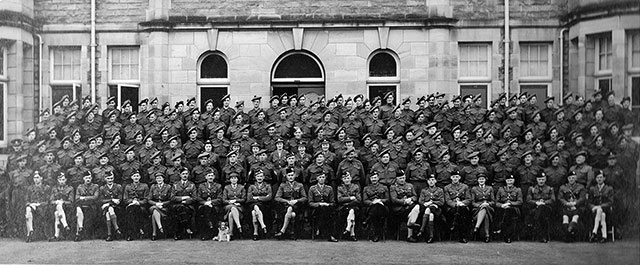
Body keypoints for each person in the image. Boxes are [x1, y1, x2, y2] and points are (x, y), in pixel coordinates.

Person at [274, 167, 307, 240]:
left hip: (297, 206)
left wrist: (296, 201)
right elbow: (277, 197)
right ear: (286, 176)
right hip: (285, 206)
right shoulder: (282, 185)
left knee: (291, 210)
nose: (291, 177)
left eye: (292, 175)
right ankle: (292, 233)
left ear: (295, 175)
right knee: (292, 214)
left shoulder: (300, 185)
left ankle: (282, 231)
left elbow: (304, 197)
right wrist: (286, 201)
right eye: (289, 175)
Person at [413, 174, 444, 243]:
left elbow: (441, 202)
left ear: (435, 181)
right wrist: (425, 204)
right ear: (427, 181)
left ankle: (421, 230)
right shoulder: (424, 190)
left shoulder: (440, 190)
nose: (431, 182)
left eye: (433, 180)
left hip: (437, 209)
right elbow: (420, 201)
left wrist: (432, 202)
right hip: (427, 209)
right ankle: (431, 236)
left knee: (429, 210)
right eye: (429, 180)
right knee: (430, 215)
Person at [308, 172, 338, 242]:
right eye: (320, 177)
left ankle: (321, 230)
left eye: (323, 177)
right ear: (317, 178)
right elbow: (310, 203)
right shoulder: (312, 188)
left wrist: (327, 204)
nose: (321, 179)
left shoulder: (329, 188)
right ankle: (327, 234)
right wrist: (319, 204)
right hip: (315, 210)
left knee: (327, 211)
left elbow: (332, 202)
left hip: (327, 209)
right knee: (322, 210)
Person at [389, 171, 418, 242]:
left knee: (416, 208)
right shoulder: (393, 187)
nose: (402, 180)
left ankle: (410, 230)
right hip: (399, 209)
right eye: (400, 178)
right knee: (416, 209)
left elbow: (415, 196)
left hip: (409, 207)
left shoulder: (410, 186)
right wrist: (405, 202)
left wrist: (410, 199)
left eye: (403, 178)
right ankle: (410, 230)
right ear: (396, 179)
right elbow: (394, 199)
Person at [558, 171, 586, 242]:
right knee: (565, 218)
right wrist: (566, 203)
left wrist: (575, 203)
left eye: (573, 178)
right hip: (566, 207)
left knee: (575, 218)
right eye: (570, 178)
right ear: (567, 179)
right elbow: (560, 198)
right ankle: (568, 235)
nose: (571, 179)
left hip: (577, 208)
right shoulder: (563, 187)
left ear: (576, 178)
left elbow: (582, 198)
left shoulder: (581, 187)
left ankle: (569, 234)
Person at [526, 173, 555, 243]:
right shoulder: (532, 188)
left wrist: (544, 202)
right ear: (536, 179)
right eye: (539, 179)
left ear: (545, 179)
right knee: (542, 216)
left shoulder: (550, 188)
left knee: (542, 209)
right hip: (535, 208)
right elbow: (528, 200)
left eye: (542, 179)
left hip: (546, 208)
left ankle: (535, 223)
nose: (541, 181)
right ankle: (543, 236)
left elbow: (553, 200)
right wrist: (536, 202)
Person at [444, 171, 471, 243]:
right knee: (459, 212)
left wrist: (462, 203)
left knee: (462, 211)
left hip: (463, 206)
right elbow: (447, 200)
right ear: (451, 178)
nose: (455, 178)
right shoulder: (447, 187)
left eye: (456, 177)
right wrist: (456, 204)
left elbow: (468, 199)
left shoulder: (465, 187)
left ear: (459, 177)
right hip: (452, 207)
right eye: (453, 177)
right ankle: (462, 236)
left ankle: (455, 225)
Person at [170, 167, 197, 240]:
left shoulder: (192, 185)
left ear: (188, 175)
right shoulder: (175, 185)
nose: (185, 175)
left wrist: (185, 202)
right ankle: (187, 227)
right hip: (177, 205)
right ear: (180, 175)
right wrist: (183, 198)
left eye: (186, 174)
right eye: (183, 174)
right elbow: (172, 197)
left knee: (182, 209)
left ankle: (178, 232)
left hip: (189, 206)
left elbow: (194, 198)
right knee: (181, 208)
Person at [588, 170, 614, 243]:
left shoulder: (609, 189)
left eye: (601, 177)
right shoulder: (592, 189)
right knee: (601, 214)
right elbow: (589, 202)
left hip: (606, 209)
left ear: (604, 178)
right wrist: (593, 207)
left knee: (601, 211)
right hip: (595, 210)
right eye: (597, 178)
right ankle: (604, 236)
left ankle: (594, 232)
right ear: (596, 179)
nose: (599, 179)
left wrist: (600, 206)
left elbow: (610, 202)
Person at [25, 171, 51, 242]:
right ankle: (30, 231)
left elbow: (48, 201)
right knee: (28, 209)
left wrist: (39, 204)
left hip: (43, 208)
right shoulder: (30, 188)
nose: (36, 179)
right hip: (33, 208)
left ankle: (30, 232)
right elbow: (27, 200)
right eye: (34, 178)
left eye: (37, 177)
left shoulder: (46, 188)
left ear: (41, 178)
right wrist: (30, 204)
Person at [495, 174, 522, 243]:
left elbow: (520, 202)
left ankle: (507, 235)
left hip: (514, 209)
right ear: (506, 181)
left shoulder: (518, 190)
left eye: (511, 180)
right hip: (502, 208)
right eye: (508, 180)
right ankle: (506, 234)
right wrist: (502, 205)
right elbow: (496, 202)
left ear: (514, 181)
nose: (509, 182)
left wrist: (510, 203)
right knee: (505, 212)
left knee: (509, 211)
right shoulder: (501, 189)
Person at [362, 172, 389, 242]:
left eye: (375, 177)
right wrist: (372, 202)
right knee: (375, 208)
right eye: (372, 178)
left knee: (378, 206)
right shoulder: (366, 188)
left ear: (378, 178)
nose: (374, 179)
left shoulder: (384, 187)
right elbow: (365, 200)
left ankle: (367, 220)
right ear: (370, 179)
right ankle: (377, 234)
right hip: (370, 207)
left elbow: (387, 199)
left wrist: (380, 200)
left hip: (382, 207)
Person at [123, 170, 149, 241]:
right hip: (130, 206)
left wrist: (139, 202)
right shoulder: (128, 186)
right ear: (132, 177)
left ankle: (134, 233)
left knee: (134, 210)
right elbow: (125, 199)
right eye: (134, 176)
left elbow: (146, 198)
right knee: (131, 210)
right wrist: (132, 201)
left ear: (140, 177)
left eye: (137, 176)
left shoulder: (144, 186)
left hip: (141, 206)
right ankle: (133, 232)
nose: (136, 177)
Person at [246, 169, 272, 241]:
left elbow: (269, 197)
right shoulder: (251, 186)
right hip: (252, 205)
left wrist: (257, 198)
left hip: (264, 205)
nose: (259, 178)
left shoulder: (267, 186)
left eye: (261, 176)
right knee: (255, 208)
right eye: (258, 176)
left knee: (254, 212)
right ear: (255, 177)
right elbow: (249, 198)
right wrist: (264, 197)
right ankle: (262, 225)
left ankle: (255, 233)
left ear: (264, 177)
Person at [74, 171, 99, 241]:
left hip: (91, 207)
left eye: (89, 178)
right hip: (82, 206)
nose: (88, 179)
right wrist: (88, 198)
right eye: (86, 178)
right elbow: (77, 198)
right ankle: (79, 231)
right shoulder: (80, 187)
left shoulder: (95, 186)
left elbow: (95, 197)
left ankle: (78, 233)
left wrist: (84, 198)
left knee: (79, 212)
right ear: (83, 178)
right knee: (78, 210)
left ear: (91, 178)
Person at [98, 171, 123, 241]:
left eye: (111, 178)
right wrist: (112, 200)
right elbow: (101, 200)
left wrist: (108, 203)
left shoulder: (118, 186)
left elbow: (119, 199)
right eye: (108, 178)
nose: (110, 180)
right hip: (106, 207)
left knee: (108, 212)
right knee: (109, 210)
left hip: (117, 207)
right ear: (105, 179)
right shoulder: (102, 188)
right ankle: (116, 228)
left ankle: (109, 234)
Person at [147, 173, 173, 241]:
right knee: (154, 209)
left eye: (160, 178)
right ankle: (160, 226)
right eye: (157, 178)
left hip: (164, 208)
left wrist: (162, 204)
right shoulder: (153, 186)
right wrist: (156, 204)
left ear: (163, 179)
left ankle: (154, 233)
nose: (159, 179)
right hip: (155, 206)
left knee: (154, 214)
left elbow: (171, 199)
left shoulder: (168, 187)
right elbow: (149, 199)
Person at [336, 172, 361, 241]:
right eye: (344, 178)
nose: (346, 180)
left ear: (351, 178)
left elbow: (358, 199)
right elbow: (339, 199)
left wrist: (347, 202)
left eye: (348, 178)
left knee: (352, 211)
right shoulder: (340, 188)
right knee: (351, 212)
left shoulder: (355, 187)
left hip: (353, 206)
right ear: (342, 179)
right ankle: (352, 234)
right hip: (343, 208)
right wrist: (350, 198)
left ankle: (348, 228)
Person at [470, 174, 494, 243]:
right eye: (480, 179)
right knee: (485, 214)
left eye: (483, 179)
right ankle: (487, 235)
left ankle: (476, 227)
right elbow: (473, 202)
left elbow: (493, 201)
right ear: (477, 180)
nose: (481, 180)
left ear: (485, 180)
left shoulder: (490, 188)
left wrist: (488, 204)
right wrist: (479, 205)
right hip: (477, 209)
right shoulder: (474, 189)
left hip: (489, 207)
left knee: (485, 207)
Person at [222, 172, 246, 240]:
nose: (233, 180)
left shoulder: (241, 187)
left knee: (231, 214)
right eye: (232, 178)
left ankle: (231, 233)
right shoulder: (226, 188)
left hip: (239, 206)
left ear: (237, 179)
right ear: (230, 180)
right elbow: (224, 200)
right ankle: (239, 226)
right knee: (232, 207)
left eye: (235, 178)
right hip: (228, 206)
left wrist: (236, 201)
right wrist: (230, 202)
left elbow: (244, 199)